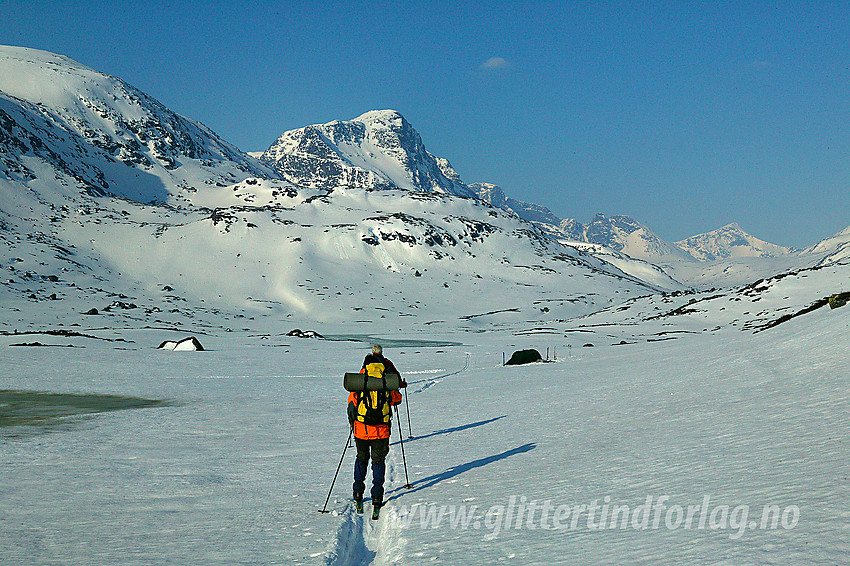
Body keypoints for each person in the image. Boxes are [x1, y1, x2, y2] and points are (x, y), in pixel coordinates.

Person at [347, 344, 406, 512]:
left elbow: (352, 403)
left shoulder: (362, 377)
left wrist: (353, 423)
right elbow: (396, 398)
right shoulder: (387, 375)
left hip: (361, 428)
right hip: (381, 429)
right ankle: (377, 496)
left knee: (361, 458)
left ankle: (358, 492)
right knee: (378, 461)